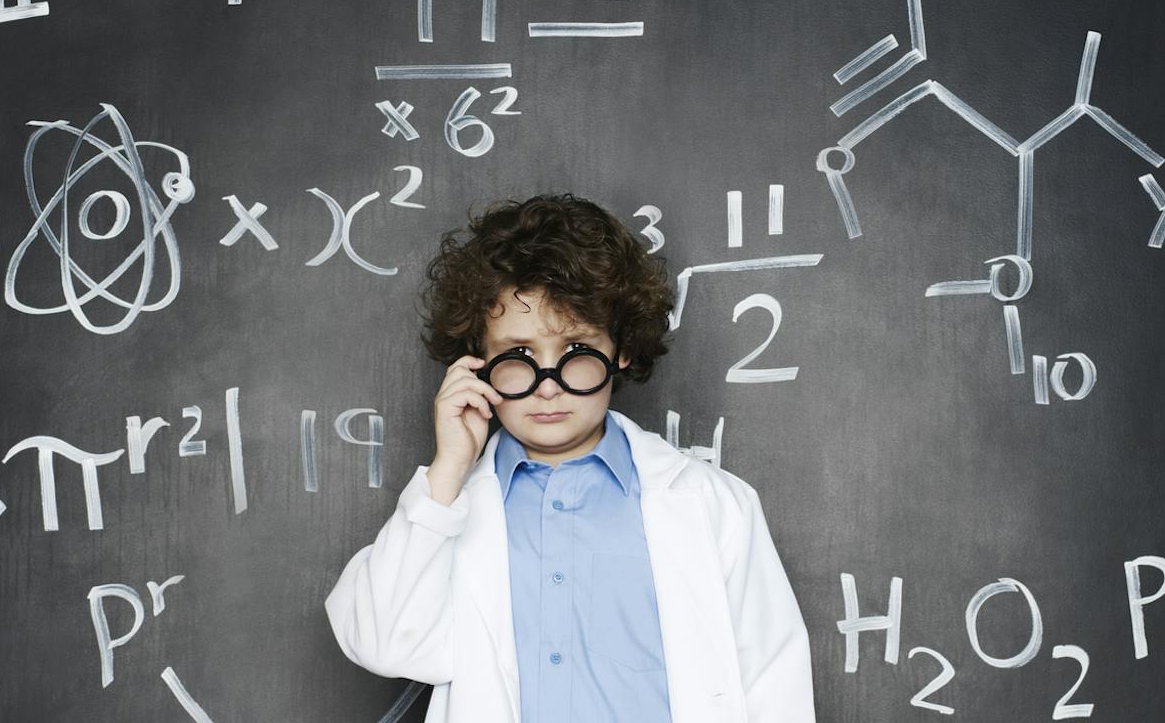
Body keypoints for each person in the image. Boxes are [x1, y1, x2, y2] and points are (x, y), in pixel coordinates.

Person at [325, 193, 815, 722]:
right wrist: (447, 473)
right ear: (478, 362)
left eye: (577, 351)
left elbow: (774, 688)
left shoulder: (714, 505)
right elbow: (382, 644)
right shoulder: (452, 509)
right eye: (518, 356)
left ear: (621, 349)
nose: (548, 388)